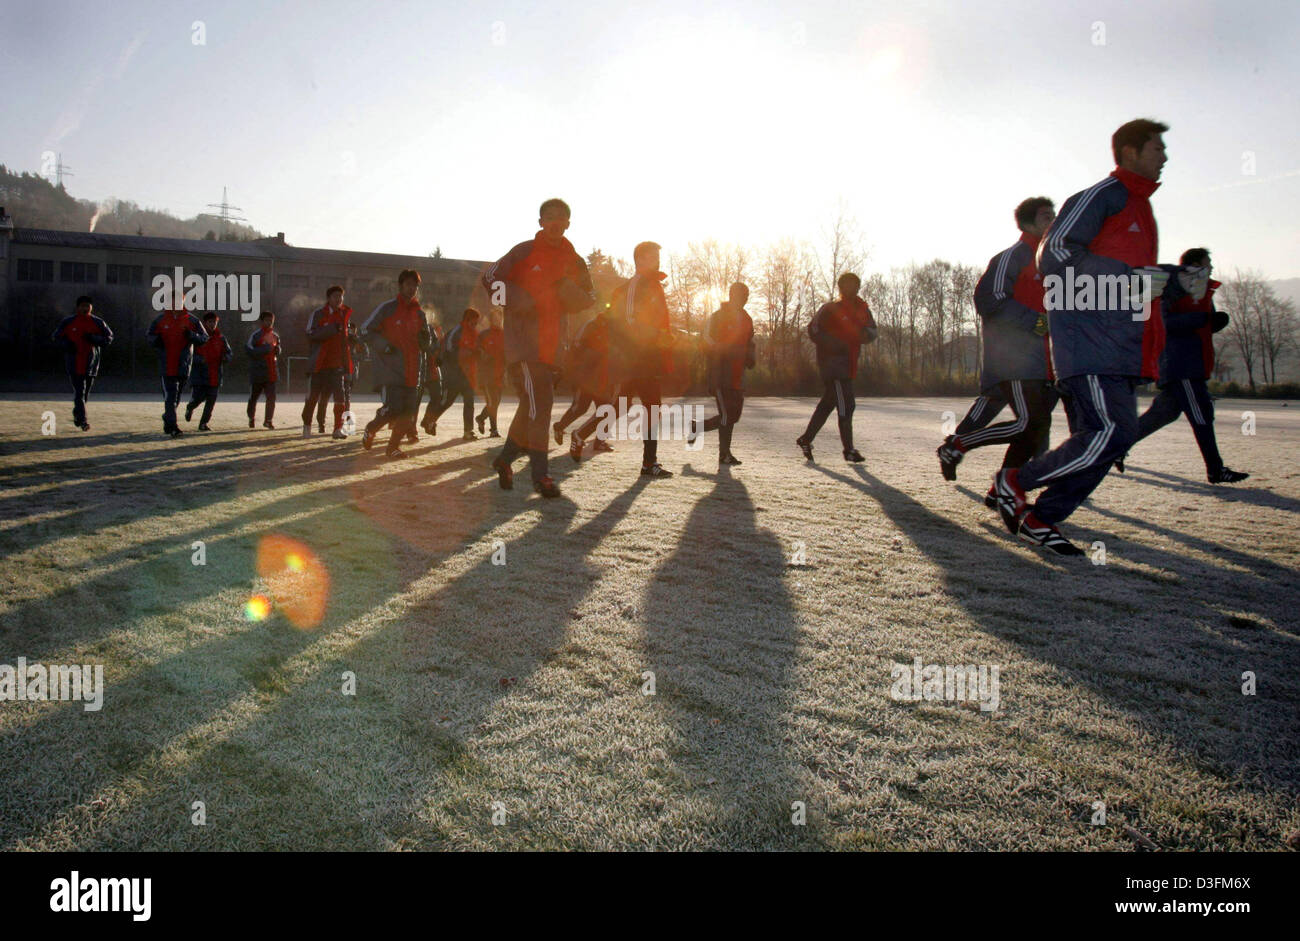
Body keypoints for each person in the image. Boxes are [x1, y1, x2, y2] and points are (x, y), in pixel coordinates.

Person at [993, 118, 1187, 554]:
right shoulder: (1102, 196)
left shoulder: (1141, 209)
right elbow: (1055, 252)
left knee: (1109, 440)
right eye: (1158, 148)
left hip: (1122, 346)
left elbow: (1133, 283)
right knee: (1113, 433)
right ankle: (1013, 482)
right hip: (1089, 342)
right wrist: (1135, 276)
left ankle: (1040, 517)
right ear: (1131, 152)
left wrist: (1169, 282)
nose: (1165, 157)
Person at [938, 198, 1058, 496]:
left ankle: (1002, 489)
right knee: (1032, 423)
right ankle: (957, 445)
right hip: (1015, 359)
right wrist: (1038, 322)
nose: (1053, 221)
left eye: (1055, 215)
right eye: (1046, 216)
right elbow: (989, 300)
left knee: (1035, 431)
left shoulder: (1056, 262)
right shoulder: (1012, 257)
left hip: (1047, 362)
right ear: (1027, 223)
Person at [482, 198, 594, 497]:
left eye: (561, 218)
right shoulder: (523, 252)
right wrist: (519, 299)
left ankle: (504, 460)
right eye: (549, 217)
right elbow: (490, 278)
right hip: (523, 346)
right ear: (540, 222)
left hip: (553, 349)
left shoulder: (575, 260)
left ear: (569, 223)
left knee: (530, 407)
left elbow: (589, 298)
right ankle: (540, 476)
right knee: (540, 406)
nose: (556, 222)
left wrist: (566, 291)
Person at [1128, 248, 1248, 484]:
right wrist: (1201, 320)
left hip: (1193, 362)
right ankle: (1215, 470)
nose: (1212, 267)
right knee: (1202, 414)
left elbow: (1200, 325)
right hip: (1181, 364)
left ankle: (1113, 449)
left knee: (1162, 415)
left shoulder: (1202, 291)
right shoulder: (1174, 287)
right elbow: (1160, 322)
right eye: (1208, 262)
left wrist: (1214, 323)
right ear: (1195, 265)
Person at [609, 241, 676, 479]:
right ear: (639, 259)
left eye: (657, 255)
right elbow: (629, 320)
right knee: (646, 406)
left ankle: (649, 463)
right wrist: (657, 335)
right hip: (636, 357)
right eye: (652, 256)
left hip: (650, 355)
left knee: (632, 405)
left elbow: (656, 321)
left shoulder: (655, 284)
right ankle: (649, 463)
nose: (656, 259)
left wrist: (668, 335)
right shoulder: (636, 283)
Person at [796, 272, 877, 462]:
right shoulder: (830, 308)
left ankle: (806, 439)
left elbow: (873, 330)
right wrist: (832, 343)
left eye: (854, 284)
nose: (850, 288)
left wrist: (865, 334)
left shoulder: (863, 308)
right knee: (846, 404)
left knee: (828, 404)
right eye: (846, 284)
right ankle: (848, 450)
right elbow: (813, 329)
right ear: (840, 287)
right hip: (833, 366)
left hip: (849, 364)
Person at [360, 269, 431, 459]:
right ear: (401, 286)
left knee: (408, 414)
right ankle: (371, 428)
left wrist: (427, 339)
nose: (412, 289)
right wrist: (385, 347)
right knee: (393, 409)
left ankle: (393, 447)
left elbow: (427, 343)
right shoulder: (387, 308)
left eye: (415, 285)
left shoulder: (420, 314)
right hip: (390, 369)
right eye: (409, 284)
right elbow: (365, 330)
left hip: (413, 370)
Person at [689, 282, 756, 465]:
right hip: (719, 374)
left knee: (733, 416)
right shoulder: (718, 317)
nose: (745, 298)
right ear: (732, 295)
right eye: (742, 295)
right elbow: (705, 340)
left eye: (747, 295)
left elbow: (750, 342)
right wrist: (724, 351)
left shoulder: (747, 319)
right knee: (726, 416)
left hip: (738, 376)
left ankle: (698, 427)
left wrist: (750, 357)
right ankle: (724, 454)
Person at [559, 307, 620, 462]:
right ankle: (563, 428)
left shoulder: (614, 329)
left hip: (602, 377)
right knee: (582, 408)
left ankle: (598, 440)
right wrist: (574, 373)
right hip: (588, 376)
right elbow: (577, 349)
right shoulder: (591, 326)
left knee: (607, 409)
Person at [148, 297, 209, 438]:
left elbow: (204, 337)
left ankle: (167, 419)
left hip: (183, 365)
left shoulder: (192, 320)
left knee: (176, 397)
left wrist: (192, 335)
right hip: (166, 365)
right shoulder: (160, 320)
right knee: (171, 396)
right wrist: (156, 340)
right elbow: (149, 335)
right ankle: (173, 427)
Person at [51, 295, 113, 432]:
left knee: (84, 394)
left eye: (87, 306)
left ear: (91, 307)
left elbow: (109, 338)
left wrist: (94, 338)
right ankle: (83, 421)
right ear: (77, 307)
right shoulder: (68, 322)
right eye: (82, 306)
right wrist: (67, 345)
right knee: (80, 392)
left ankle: (78, 414)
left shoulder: (98, 322)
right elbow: (56, 337)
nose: (85, 308)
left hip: (91, 364)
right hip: (74, 363)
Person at [301, 285, 353, 440]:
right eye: (336, 296)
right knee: (313, 398)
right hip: (319, 364)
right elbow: (310, 334)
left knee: (340, 398)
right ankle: (307, 426)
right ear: (328, 298)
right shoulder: (318, 314)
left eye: (341, 296)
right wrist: (331, 329)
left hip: (337, 365)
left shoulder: (344, 314)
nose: (339, 299)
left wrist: (347, 362)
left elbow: (345, 341)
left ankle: (338, 429)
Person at [426, 307, 482, 440]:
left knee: (469, 402)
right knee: (448, 401)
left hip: (469, 374)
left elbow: (479, 349)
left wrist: (479, 354)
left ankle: (468, 431)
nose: (475, 325)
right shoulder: (457, 331)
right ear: (466, 320)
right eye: (473, 322)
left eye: (476, 323)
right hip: (455, 374)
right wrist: (466, 353)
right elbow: (449, 349)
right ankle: (430, 421)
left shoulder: (475, 333)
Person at [185, 312, 232, 430]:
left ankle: (203, 423)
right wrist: (198, 360)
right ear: (205, 323)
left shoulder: (221, 338)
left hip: (215, 375)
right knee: (198, 398)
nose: (213, 324)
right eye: (210, 322)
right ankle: (190, 407)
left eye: (215, 322)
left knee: (211, 401)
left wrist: (226, 357)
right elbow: (188, 353)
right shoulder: (198, 337)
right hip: (200, 375)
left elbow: (229, 352)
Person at [245, 311, 281, 429]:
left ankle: (268, 420)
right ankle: (251, 417)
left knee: (271, 398)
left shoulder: (275, 336)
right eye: (267, 320)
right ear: (261, 321)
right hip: (257, 372)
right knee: (253, 397)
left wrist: (278, 350)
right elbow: (249, 350)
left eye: (271, 320)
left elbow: (277, 349)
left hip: (271, 373)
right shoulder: (255, 335)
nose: (269, 322)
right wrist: (265, 349)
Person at [476, 308, 506, 437]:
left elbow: (508, 355)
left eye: (500, 318)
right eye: (495, 318)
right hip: (487, 375)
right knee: (492, 402)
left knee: (496, 402)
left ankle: (481, 418)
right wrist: (484, 357)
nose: (498, 320)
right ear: (491, 320)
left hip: (500, 374)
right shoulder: (483, 335)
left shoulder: (506, 335)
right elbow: (477, 352)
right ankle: (493, 430)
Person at [418, 318, 445, 436]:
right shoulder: (416, 329)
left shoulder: (433, 330)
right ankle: (411, 429)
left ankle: (427, 421)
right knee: (415, 401)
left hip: (433, 369)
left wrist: (438, 356)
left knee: (437, 397)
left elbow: (437, 346)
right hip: (420, 369)